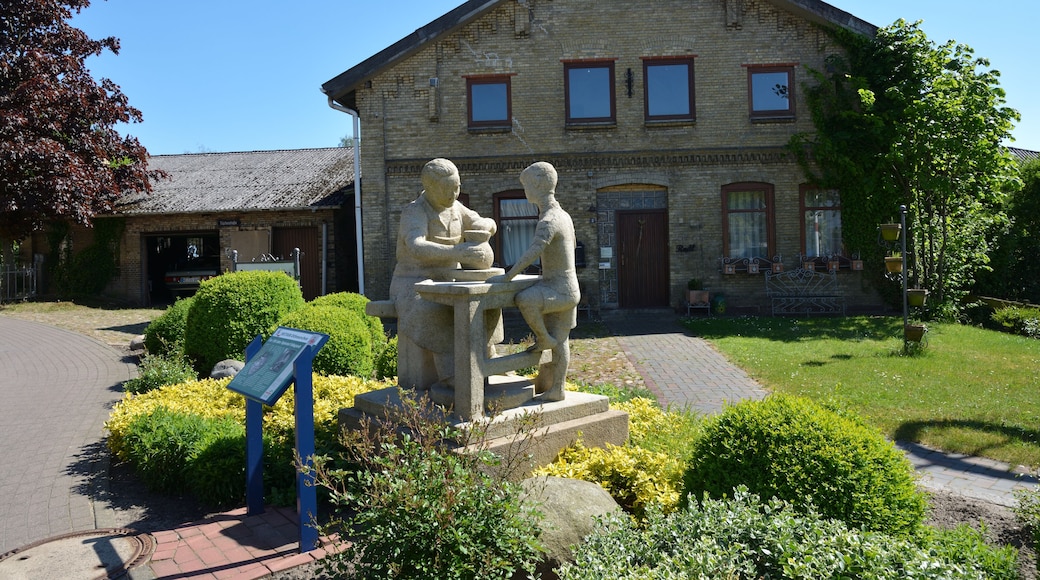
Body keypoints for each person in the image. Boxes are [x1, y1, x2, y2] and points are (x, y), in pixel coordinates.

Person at [389, 158, 499, 386]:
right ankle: (452, 373)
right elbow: (416, 245)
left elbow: (484, 221)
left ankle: (487, 359)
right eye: (447, 189)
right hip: (414, 283)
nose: (454, 194)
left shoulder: (456, 208)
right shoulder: (414, 211)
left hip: (451, 280)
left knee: (488, 301)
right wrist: (458, 252)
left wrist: (486, 225)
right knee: (433, 310)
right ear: (429, 187)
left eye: (457, 186)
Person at [488, 162, 579, 400]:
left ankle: (542, 338)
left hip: (558, 289)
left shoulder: (549, 220)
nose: (525, 190)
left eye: (526, 185)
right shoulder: (564, 216)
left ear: (538, 185)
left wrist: (508, 275)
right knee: (562, 342)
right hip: (568, 287)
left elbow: (533, 252)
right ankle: (557, 390)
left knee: (525, 299)